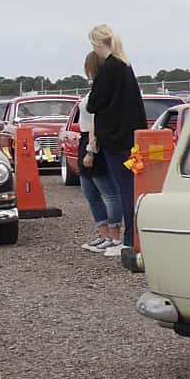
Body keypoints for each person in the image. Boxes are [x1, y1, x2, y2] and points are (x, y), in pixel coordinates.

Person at [85, 24, 146, 258]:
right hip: (131, 138)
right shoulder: (125, 66)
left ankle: (128, 240)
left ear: (98, 44)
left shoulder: (110, 69)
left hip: (115, 140)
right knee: (132, 188)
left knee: (125, 190)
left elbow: (93, 104)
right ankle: (133, 237)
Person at [75, 50, 120, 253]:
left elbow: (96, 121)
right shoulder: (95, 88)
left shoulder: (101, 91)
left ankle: (115, 235)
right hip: (85, 137)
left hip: (94, 141)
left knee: (108, 192)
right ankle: (104, 233)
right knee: (90, 192)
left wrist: (90, 150)